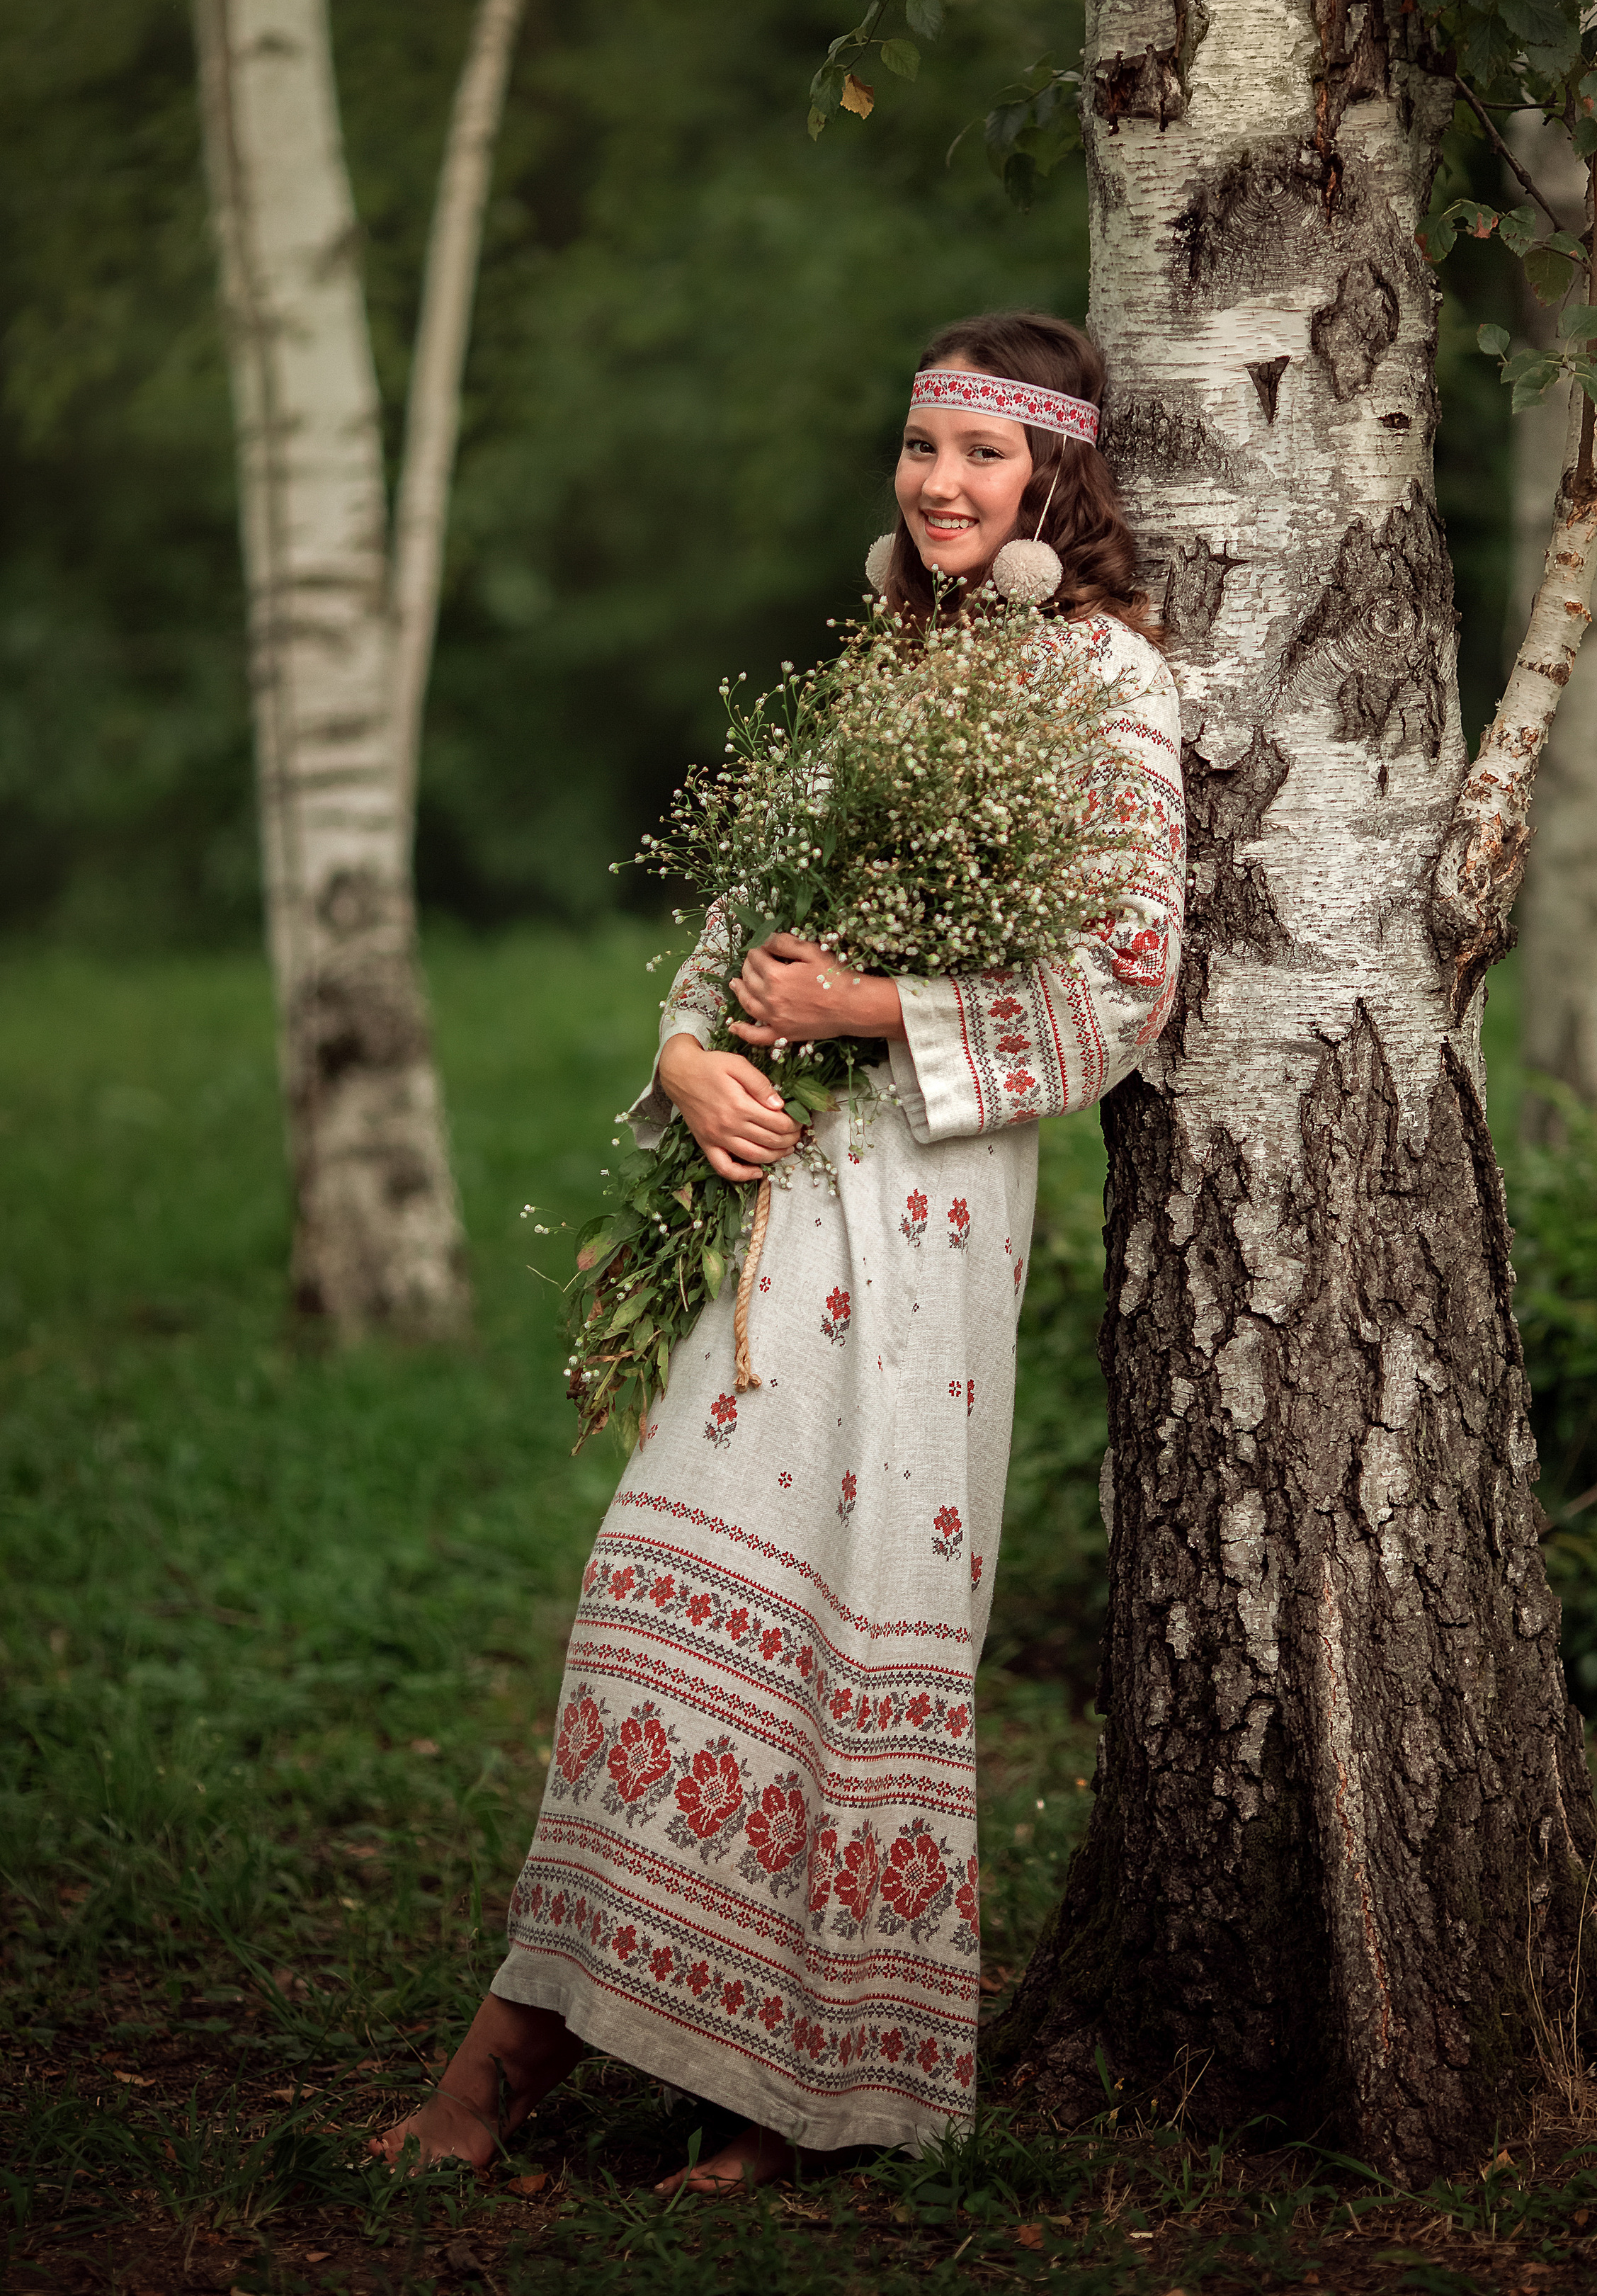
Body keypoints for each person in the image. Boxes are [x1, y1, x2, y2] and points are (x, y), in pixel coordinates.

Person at [374, 309, 1185, 2190]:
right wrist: (697, 1062)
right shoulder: (870, 683)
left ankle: (801, 2096)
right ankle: (529, 2051)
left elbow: (1127, 987)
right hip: (772, 1205)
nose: (939, 483)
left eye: (982, 455)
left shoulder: (1105, 689)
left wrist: (862, 1009)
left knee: (846, 1621)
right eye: (918, 448)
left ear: (1058, 475)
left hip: (934, 1220)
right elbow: (738, 939)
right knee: (667, 1589)